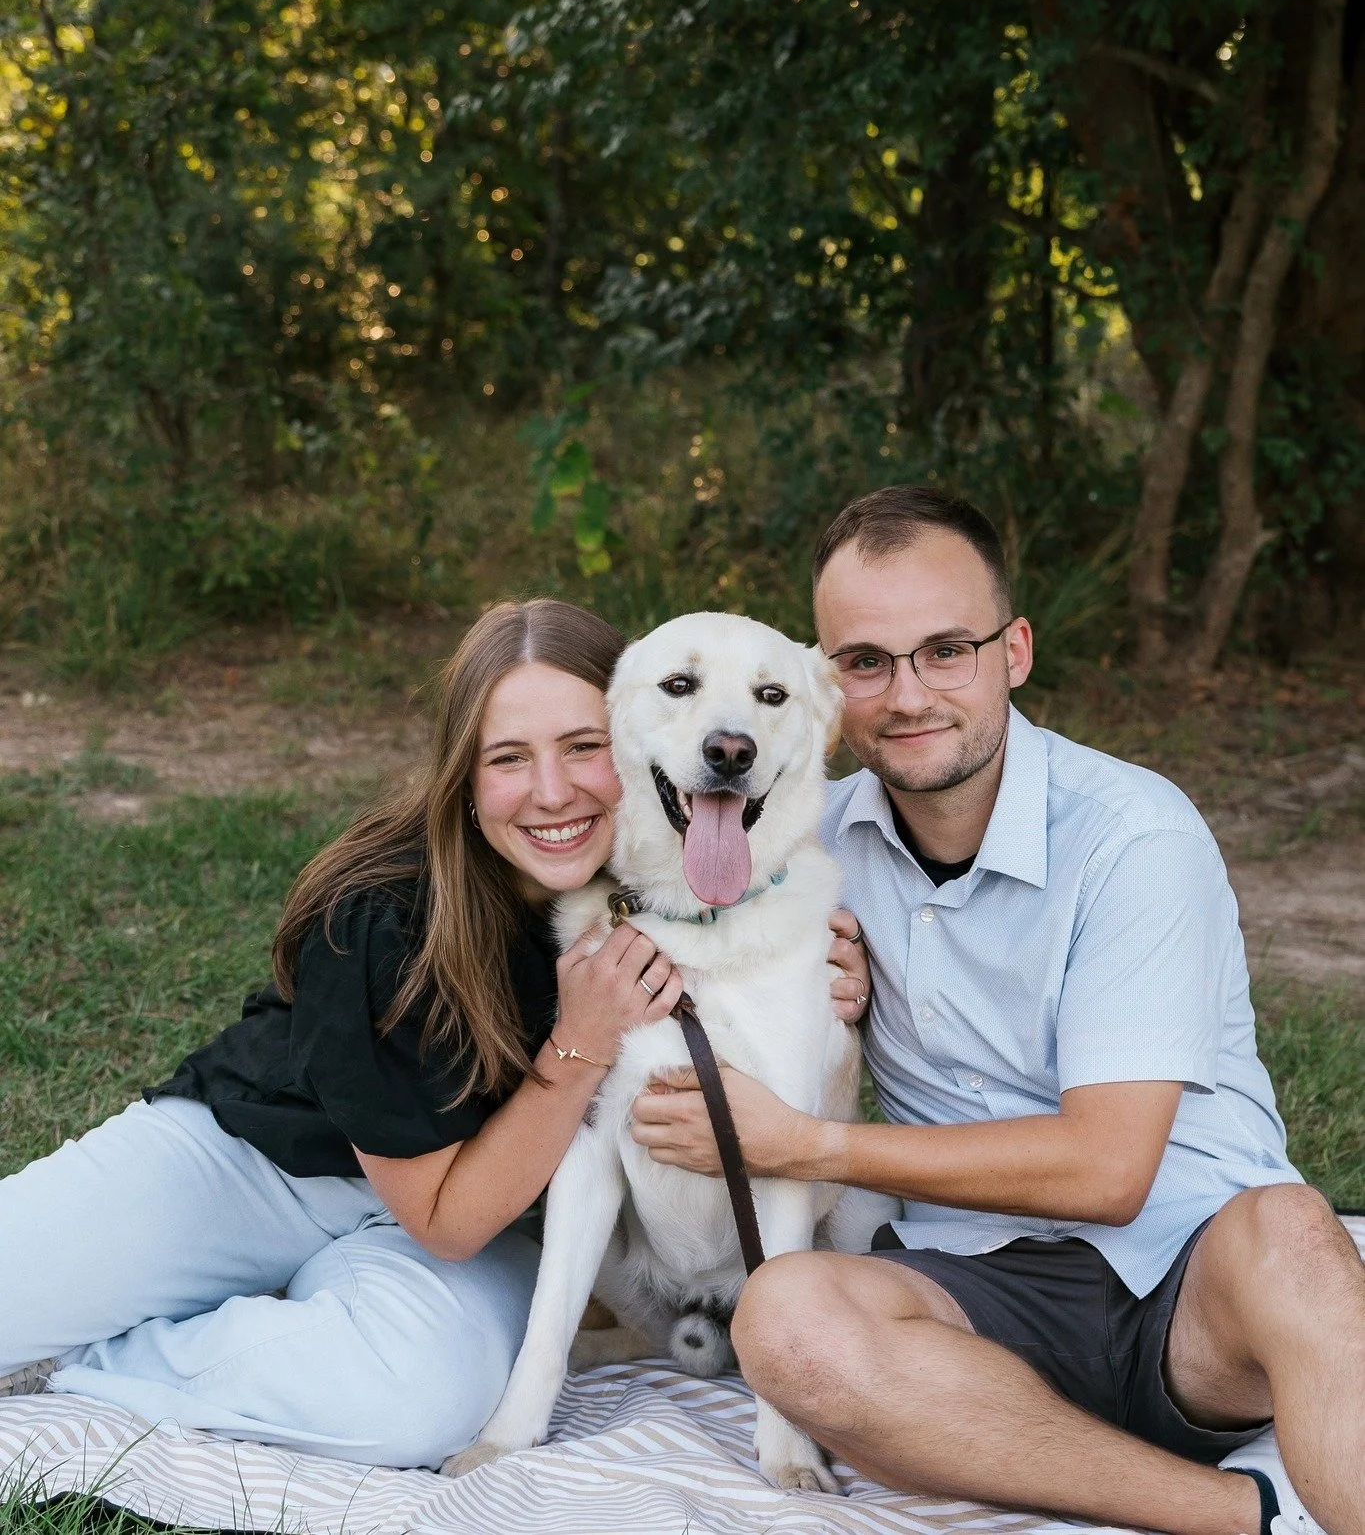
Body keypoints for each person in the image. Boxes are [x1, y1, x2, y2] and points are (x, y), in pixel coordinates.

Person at [632, 486, 1365, 1535]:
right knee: (785, 1320)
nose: (908, 694)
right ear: (825, 683)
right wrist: (814, 989)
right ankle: (1238, 1514)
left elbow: (1108, 1171)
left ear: (1013, 651)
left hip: (1194, 1285)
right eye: (865, 661)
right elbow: (628, 894)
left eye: (946, 650)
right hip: (973, 1298)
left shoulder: (1132, 835)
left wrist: (807, 1143)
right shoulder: (802, 845)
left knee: (1295, 1229)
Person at [0, 596, 871, 1468]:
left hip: (464, 1226)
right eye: (508, 758)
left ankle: (106, 1364)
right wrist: (580, 1044)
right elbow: (445, 1214)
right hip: (260, 1166)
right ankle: (170, 1302)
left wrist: (824, 967)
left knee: (418, 1406)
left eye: (581, 747)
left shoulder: (658, 885)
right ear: (462, 772)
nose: (553, 792)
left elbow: (759, 941)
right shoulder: (380, 911)